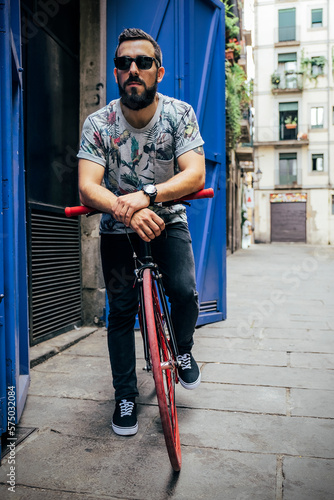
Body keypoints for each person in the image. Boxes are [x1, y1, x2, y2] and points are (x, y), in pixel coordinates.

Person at [77, 28, 205, 436]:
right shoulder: (99, 124)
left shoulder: (179, 114)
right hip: (119, 230)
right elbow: (88, 185)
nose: (132, 69)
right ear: (116, 73)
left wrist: (147, 196)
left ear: (159, 71)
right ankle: (126, 394)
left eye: (143, 62)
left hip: (169, 222)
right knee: (120, 312)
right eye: (123, 63)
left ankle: (181, 349)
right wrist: (126, 210)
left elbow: (195, 173)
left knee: (184, 290)